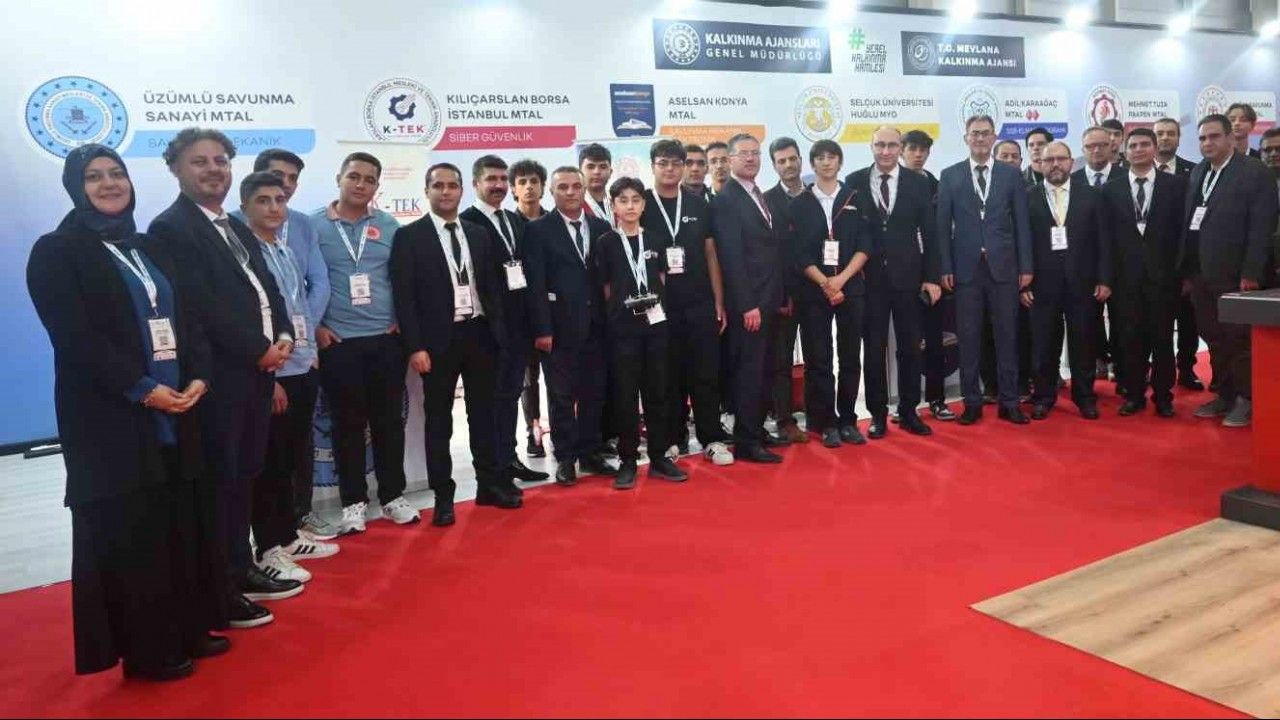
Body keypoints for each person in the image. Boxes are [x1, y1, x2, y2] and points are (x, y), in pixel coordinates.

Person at [28, 144, 227, 681]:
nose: (109, 184)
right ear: (76, 188)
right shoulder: (57, 251)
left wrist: (199, 376)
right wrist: (143, 390)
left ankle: (188, 626)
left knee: (179, 524)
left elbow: (189, 318)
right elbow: (76, 339)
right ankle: (148, 649)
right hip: (113, 418)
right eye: (94, 177)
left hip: (178, 408)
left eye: (116, 173)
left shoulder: (147, 247)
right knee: (132, 533)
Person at [148, 128, 300, 629]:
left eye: (220, 160)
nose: (213, 169)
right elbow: (199, 307)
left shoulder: (230, 224)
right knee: (219, 487)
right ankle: (221, 590)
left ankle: (241, 567)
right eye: (200, 161)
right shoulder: (171, 228)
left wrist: (283, 335)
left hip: (256, 376)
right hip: (220, 381)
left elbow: (266, 287)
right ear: (176, 168)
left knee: (243, 479)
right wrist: (259, 349)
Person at [391, 163, 520, 527]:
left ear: (462, 190)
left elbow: (492, 287)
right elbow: (405, 298)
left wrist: (499, 333)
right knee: (439, 421)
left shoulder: (478, 234)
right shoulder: (410, 236)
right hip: (437, 342)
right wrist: (415, 347)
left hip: (480, 335)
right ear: (427, 191)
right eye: (438, 186)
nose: (446, 191)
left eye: (452, 185)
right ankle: (443, 496)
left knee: (484, 416)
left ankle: (488, 485)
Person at [238, 173, 338, 584]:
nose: (274, 208)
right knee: (269, 465)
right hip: (273, 371)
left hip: (301, 364)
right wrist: (270, 377)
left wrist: (309, 354)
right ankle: (268, 549)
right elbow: (253, 318)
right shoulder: (245, 253)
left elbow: (295, 305)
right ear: (244, 207)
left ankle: (287, 535)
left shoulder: (281, 246)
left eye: (279, 200)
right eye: (263, 200)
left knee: (290, 460)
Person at [311, 153, 420, 533]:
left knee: (389, 423)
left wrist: (402, 321)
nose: (361, 185)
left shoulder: (389, 226)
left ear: (377, 186)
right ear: (338, 178)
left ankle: (392, 497)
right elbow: (301, 280)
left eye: (369, 179)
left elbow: (404, 280)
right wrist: (316, 327)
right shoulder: (313, 226)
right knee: (347, 425)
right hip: (339, 343)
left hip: (385, 341)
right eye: (354, 177)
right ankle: (353, 503)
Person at [1180, 114, 1279, 428]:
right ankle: (1224, 393)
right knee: (1213, 337)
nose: (1207, 143)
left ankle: (1247, 399)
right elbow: (1191, 223)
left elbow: (1262, 227)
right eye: (1202, 138)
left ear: (1230, 138)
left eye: (1214, 137)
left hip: (1237, 276)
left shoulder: (1254, 172)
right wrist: (1187, 271)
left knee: (1239, 340)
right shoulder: (1199, 172)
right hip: (1201, 273)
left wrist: (1251, 272)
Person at [937, 115, 1034, 425]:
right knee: (968, 339)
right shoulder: (950, 175)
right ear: (966, 138)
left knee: (1007, 337)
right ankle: (972, 403)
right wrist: (945, 266)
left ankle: (1010, 402)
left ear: (994, 137)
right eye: (974, 133)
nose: (980, 138)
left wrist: (1026, 266)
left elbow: (1022, 223)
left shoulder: (1010, 174)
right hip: (965, 270)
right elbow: (942, 228)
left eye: (985, 133)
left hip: (1004, 269)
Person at [460, 156, 550, 487]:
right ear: (476, 184)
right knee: (490, 402)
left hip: (518, 327)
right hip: (487, 329)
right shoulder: (466, 223)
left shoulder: (514, 220)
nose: (497, 185)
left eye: (501, 179)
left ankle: (510, 460)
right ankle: (494, 470)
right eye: (491, 179)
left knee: (511, 395)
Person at [642, 140, 733, 466]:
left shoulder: (698, 204)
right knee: (667, 375)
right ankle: (672, 438)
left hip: (699, 302)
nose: (670, 169)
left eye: (675, 163)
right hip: (659, 305)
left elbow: (711, 254)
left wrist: (719, 300)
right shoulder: (642, 204)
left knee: (705, 373)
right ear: (653, 166)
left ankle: (712, 438)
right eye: (663, 163)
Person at [595, 177, 689, 488]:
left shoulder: (655, 239)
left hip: (656, 327)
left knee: (658, 392)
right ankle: (628, 460)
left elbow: (661, 279)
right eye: (623, 200)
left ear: (644, 204)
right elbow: (606, 289)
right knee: (625, 395)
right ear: (614, 206)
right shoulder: (606, 243)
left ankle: (660, 456)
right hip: (622, 330)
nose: (630, 206)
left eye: (636, 200)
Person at [525, 167, 616, 484]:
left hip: (598, 325)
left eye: (576, 186)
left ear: (583, 189)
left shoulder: (601, 226)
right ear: (551, 192)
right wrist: (542, 329)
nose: (571, 192)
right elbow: (535, 283)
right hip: (558, 328)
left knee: (594, 393)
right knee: (561, 396)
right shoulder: (538, 230)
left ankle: (590, 453)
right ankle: (565, 457)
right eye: (562, 187)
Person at [849, 128, 941, 439]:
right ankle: (877, 414)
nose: (886, 151)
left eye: (891, 145)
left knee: (910, 348)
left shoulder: (919, 182)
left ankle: (909, 410)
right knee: (874, 349)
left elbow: (930, 233)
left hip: (909, 278)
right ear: (870, 146)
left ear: (900, 148)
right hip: (869, 280)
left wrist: (931, 277)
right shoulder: (854, 181)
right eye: (880, 145)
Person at [712, 133, 793, 461]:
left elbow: (772, 250)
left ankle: (757, 429)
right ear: (730, 159)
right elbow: (731, 257)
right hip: (749, 305)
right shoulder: (726, 199)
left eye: (755, 153)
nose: (750, 158)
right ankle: (746, 441)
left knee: (765, 370)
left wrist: (782, 295)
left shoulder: (761, 194)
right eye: (743, 153)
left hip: (771, 299)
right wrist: (747, 304)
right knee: (748, 372)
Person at [1021, 141, 1111, 420]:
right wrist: (1023, 284)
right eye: (1049, 160)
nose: (1055, 164)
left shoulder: (1092, 195)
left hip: (1083, 283)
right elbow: (1021, 244)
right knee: (1043, 344)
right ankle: (1043, 397)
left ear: (1072, 162)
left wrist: (1104, 279)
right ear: (1040, 164)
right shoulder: (1027, 197)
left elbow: (1104, 241)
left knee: (1083, 342)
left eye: (1061, 159)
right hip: (1041, 285)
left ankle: (1085, 397)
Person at [1102, 128, 1187, 418]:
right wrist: (1107, 278)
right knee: (1130, 340)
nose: (1138, 149)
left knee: (1162, 340)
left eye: (1144, 144)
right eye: (1133, 145)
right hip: (1124, 281)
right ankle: (1134, 394)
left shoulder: (1175, 186)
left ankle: (1163, 396)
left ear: (1154, 148)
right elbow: (1105, 239)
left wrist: (1182, 273)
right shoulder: (1110, 189)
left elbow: (1182, 234)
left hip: (1164, 279)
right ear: (1124, 151)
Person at [793, 139, 868, 447]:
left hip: (852, 287)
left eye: (832, 157)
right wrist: (826, 283)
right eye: (820, 158)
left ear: (840, 162)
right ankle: (825, 422)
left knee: (850, 356)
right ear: (812, 164)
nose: (826, 162)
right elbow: (799, 253)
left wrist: (841, 280)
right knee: (819, 358)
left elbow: (865, 245)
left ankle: (848, 419)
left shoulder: (856, 198)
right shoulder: (800, 202)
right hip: (814, 291)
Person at [902, 129, 956, 421]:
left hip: (933, 275)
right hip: (900, 276)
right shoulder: (892, 185)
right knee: (907, 343)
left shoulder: (937, 186)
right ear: (902, 151)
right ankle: (906, 405)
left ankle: (937, 400)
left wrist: (935, 276)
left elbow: (942, 236)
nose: (918, 154)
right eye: (912, 149)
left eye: (923, 150)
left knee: (935, 340)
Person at [1153, 117, 1204, 392]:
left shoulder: (1193, 172)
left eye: (1170, 133)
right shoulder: (1134, 171)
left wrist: (1189, 268)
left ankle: (1186, 368)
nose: (1165, 138)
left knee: (1187, 321)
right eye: (1160, 133)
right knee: (1153, 323)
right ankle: (1154, 370)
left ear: (1178, 138)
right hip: (1150, 264)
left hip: (1181, 260)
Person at [1074, 126, 1128, 387]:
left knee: (1123, 320)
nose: (1096, 150)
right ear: (1083, 149)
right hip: (1085, 265)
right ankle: (1098, 362)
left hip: (1123, 263)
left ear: (1112, 146)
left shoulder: (1127, 177)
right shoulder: (1072, 181)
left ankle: (1123, 367)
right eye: (1090, 146)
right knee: (1089, 321)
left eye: (1102, 145)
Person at [764, 137, 807, 444]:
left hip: (820, 290)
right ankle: (784, 419)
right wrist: (779, 294)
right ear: (774, 165)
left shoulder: (817, 195)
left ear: (801, 159)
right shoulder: (766, 201)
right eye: (782, 161)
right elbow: (768, 252)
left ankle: (821, 415)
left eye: (793, 159)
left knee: (821, 356)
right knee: (781, 360)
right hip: (784, 295)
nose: (789, 165)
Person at [509, 159, 549, 457]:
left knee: (563, 379)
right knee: (528, 380)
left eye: (534, 181)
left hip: (556, 312)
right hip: (522, 313)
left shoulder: (555, 222)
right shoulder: (507, 225)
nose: (529, 187)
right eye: (522, 182)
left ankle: (567, 433)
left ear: (543, 187)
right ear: (513, 189)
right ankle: (533, 435)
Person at [580, 143, 614, 224]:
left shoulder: (620, 202)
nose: (597, 172)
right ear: (580, 173)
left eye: (603, 167)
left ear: (610, 172)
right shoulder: (571, 207)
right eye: (590, 167)